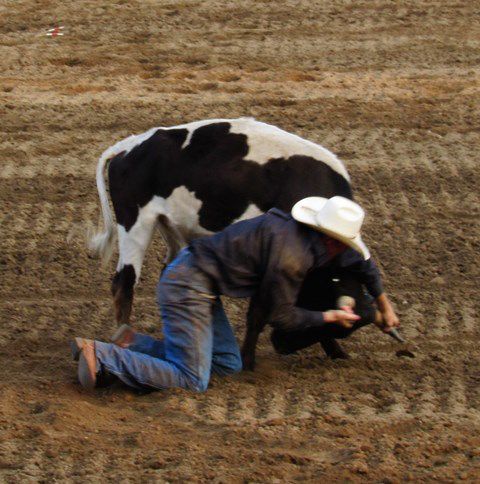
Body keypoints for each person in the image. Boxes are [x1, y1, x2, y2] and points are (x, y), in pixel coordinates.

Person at [71, 196, 399, 391]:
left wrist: (382, 302)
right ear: (333, 241)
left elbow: (361, 262)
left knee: (228, 363)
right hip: (190, 286)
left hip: (197, 278)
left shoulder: (291, 227)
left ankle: (134, 344)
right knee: (191, 380)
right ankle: (104, 356)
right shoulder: (293, 259)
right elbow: (281, 318)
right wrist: (329, 316)